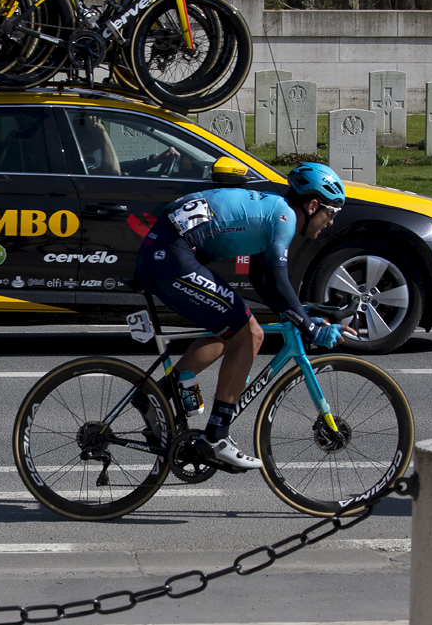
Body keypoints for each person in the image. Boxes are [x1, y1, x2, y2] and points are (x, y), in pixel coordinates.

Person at [133, 162, 353, 470]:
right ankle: (216, 436)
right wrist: (310, 329)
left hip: (167, 252)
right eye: (332, 212)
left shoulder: (274, 211)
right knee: (250, 334)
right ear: (313, 205)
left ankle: (154, 396)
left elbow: (259, 278)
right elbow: (277, 281)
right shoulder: (285, 217)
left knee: (233, 332)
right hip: (171, 255)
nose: (330, 221)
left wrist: (299, 313)